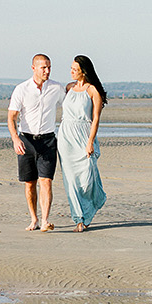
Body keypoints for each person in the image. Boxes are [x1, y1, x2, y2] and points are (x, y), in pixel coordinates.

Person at [7, 54, 65, 231]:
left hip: (48, 140)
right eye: (43, 68)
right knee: (30, 183)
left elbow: (69, 105)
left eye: (49, 67)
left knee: (46, 180)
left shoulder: (56, 88)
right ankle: (34, 219)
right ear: (33, 68)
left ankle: (46, 220)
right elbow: (11, 117)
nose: (47, 71)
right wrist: (15, 138)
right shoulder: (21, 89)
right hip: (26, 140)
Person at [57, 55, 107, 231]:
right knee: (70, 180)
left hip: (83, 135)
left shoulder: (92, 90)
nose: (70, 71)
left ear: (83, 71)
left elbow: (95, 120)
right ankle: (79, 219)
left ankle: (94, 202)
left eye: (74, 69)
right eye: (70, 68)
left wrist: (90, 142)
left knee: (86, 178)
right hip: (65, 136)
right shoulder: (69, 88)